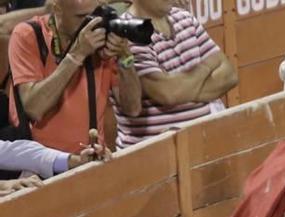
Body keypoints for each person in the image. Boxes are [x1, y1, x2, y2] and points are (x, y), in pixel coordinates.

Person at [7, 0, 142, 153]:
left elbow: (133, 108)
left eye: (94, 15)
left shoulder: (102, 38)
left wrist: (125, 57)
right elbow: (34, 108)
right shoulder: (28, 34)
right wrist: (77, 54)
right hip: (42, 166)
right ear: (57, 10)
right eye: (82, 17)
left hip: (91, 158)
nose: (90, 25)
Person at [113, 0, 238, 148]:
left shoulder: (185, 18)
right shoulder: (128, 32)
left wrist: (182, 90)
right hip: (154, 154)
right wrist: (206, 66)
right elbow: (167, 93)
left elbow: (230, 76)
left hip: (201, 145)